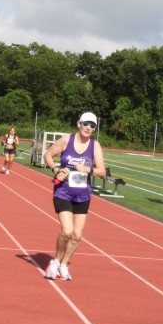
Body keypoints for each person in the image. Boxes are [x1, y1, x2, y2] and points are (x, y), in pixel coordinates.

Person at [42, 112, 106, 281]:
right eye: (86, 124)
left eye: (92, 125)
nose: (88, 128)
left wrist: (88, 169)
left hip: (82, 195)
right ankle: (55, 261)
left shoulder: (95, 146)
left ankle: (64, 265)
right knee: (67, 231)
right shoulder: (66, 140)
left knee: (77, 235)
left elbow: (102, 172)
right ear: (79, 123)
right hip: (63, 192)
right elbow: (48, 155)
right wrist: (56, 169)